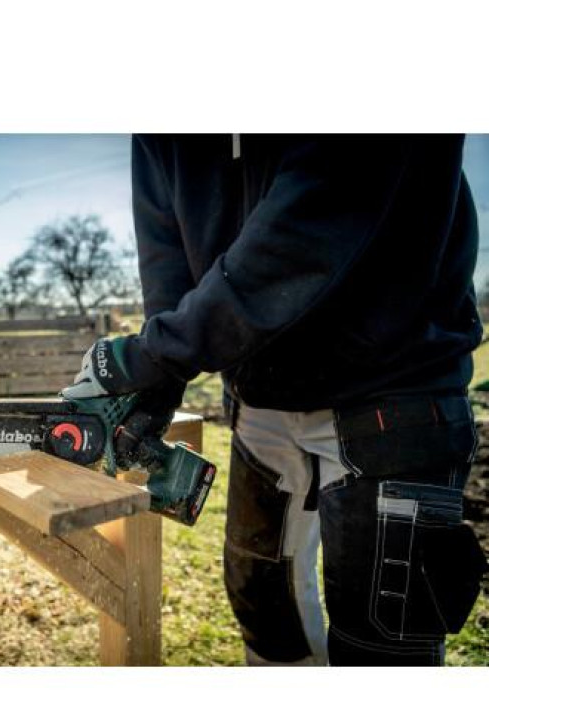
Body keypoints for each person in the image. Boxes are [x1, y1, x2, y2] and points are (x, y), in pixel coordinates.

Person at [62, 134, 487, 666]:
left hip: (393, 383)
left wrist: (161, 350)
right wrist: (161, 373)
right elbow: (165, 248)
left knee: (383, 645)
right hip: (261, 396)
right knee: (264, 609)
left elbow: (325, 204)